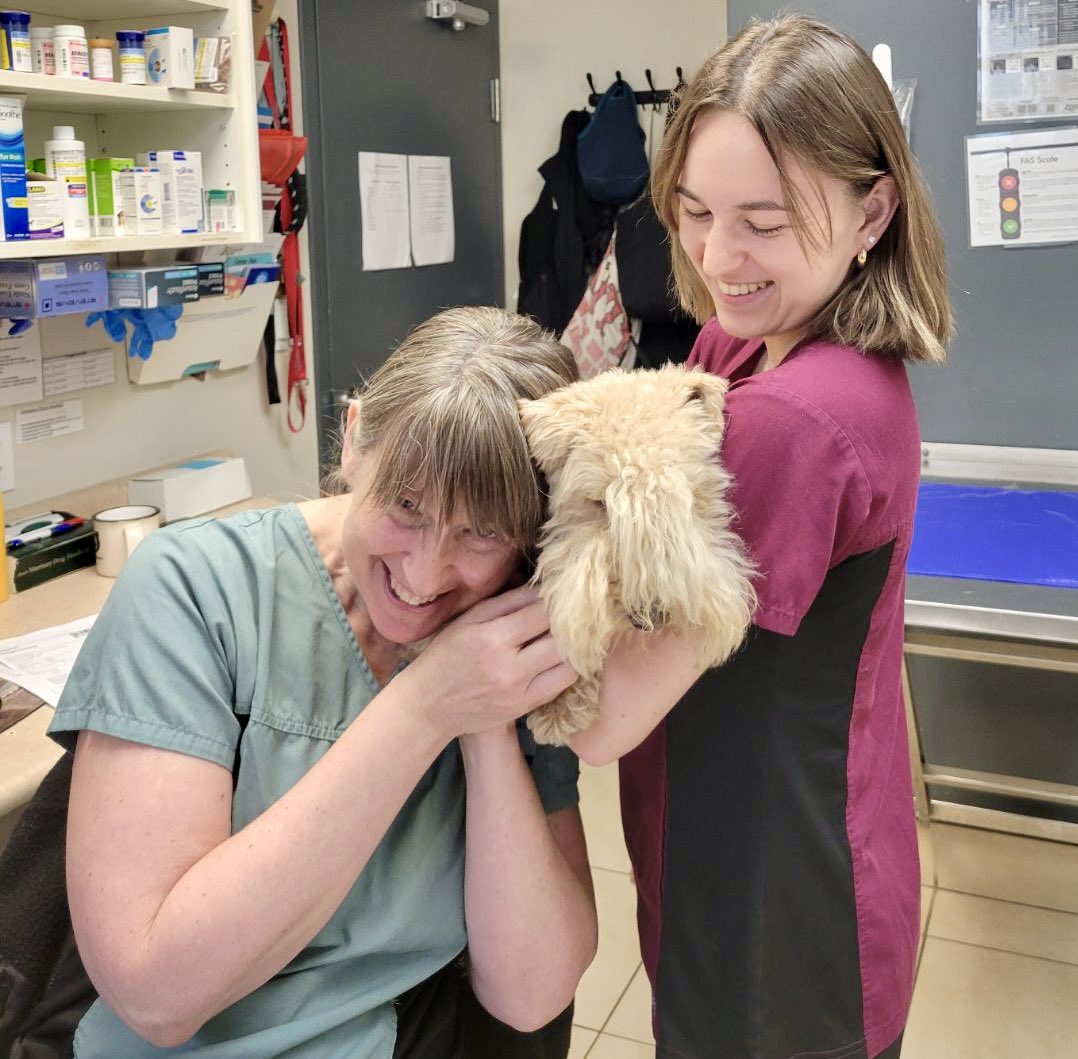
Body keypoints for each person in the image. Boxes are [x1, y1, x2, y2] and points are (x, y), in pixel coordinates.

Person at [47, 307, 596, 1058]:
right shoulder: (194, 590)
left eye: (483, 532)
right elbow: (154, 994)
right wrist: (425, 706)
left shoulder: (509, 644)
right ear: (356, 440)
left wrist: (484, 722)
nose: (425, 572)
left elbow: (532, 995)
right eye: (407, 505)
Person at [571, 15, 951, 1059]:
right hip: (794, 832)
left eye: (763, 223)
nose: (716, 257)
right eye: (695, 213)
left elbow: (604, 716)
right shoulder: (753, 343)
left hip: (775, 906)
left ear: (873, 209)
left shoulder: (799, 418)